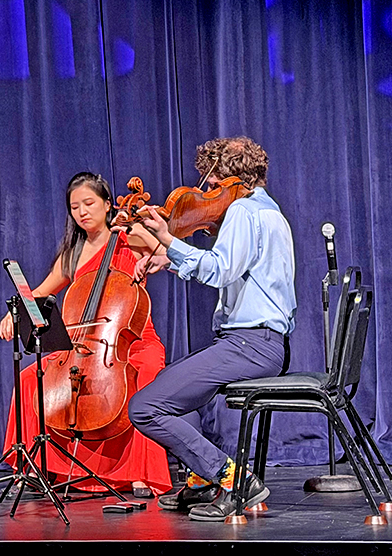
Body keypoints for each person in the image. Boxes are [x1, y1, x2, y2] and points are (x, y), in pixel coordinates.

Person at [130, 136, 296, 522]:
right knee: (174, 390)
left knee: (145, 407)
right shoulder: (270, 212)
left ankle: (234, 480)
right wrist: (169, 259)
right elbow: (232, 265)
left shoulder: (243, 211)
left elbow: (219, 270)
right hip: (263, 343)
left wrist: (166, 240)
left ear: (226, 177)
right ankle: (201, 479)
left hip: (251, 343)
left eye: (212, 181)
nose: (207, 192)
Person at [0, 172, 172, 495]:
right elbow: (39, 292)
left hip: (133, 341)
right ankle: (38, 465)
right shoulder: (73, 254)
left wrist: (143, 235)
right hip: (85, 345)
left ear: (107, 204)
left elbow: (170, 253)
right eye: (75, 207)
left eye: (89, 203)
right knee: (30, 378)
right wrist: (14, 310)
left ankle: (141, 472)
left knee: (145, 376)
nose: (82, 212)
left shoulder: (130, 238)